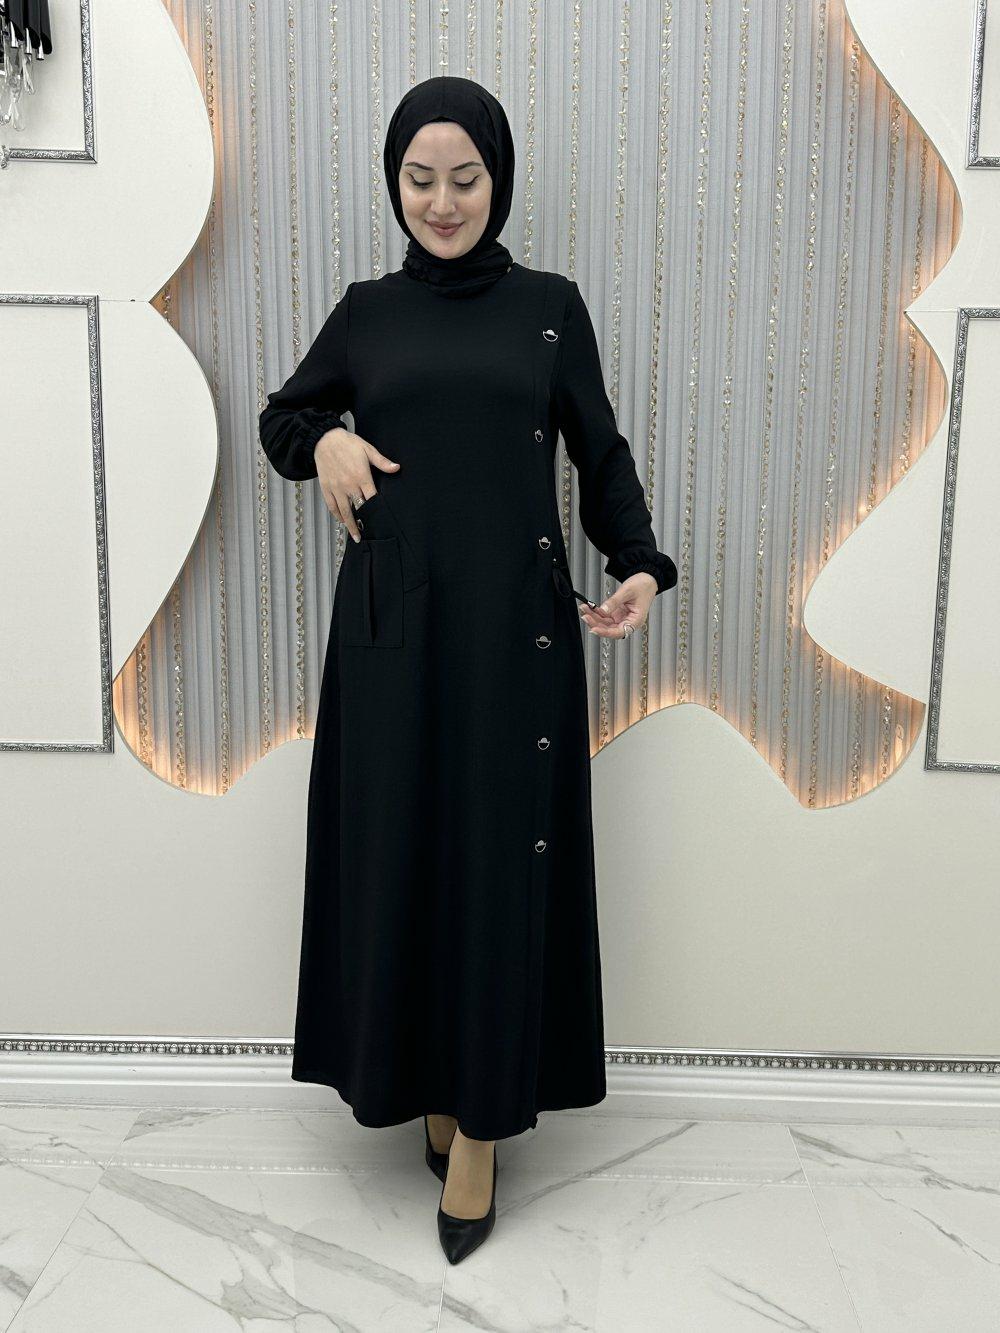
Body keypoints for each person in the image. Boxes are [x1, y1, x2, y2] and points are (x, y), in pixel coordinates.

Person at [258, 74, 677, 1264]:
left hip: (513, 639)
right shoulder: (366, 313)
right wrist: (327, 441)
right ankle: (430, 1088)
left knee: (494, 870)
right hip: (392, 638)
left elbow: (598, 449)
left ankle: (482, 1126)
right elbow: (283, 420)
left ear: (498, 180)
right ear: (394, 183)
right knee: (408, 859)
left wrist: (640, 562)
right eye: (419, 179)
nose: (442, 202)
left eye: (465, 178)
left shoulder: (547, 307)